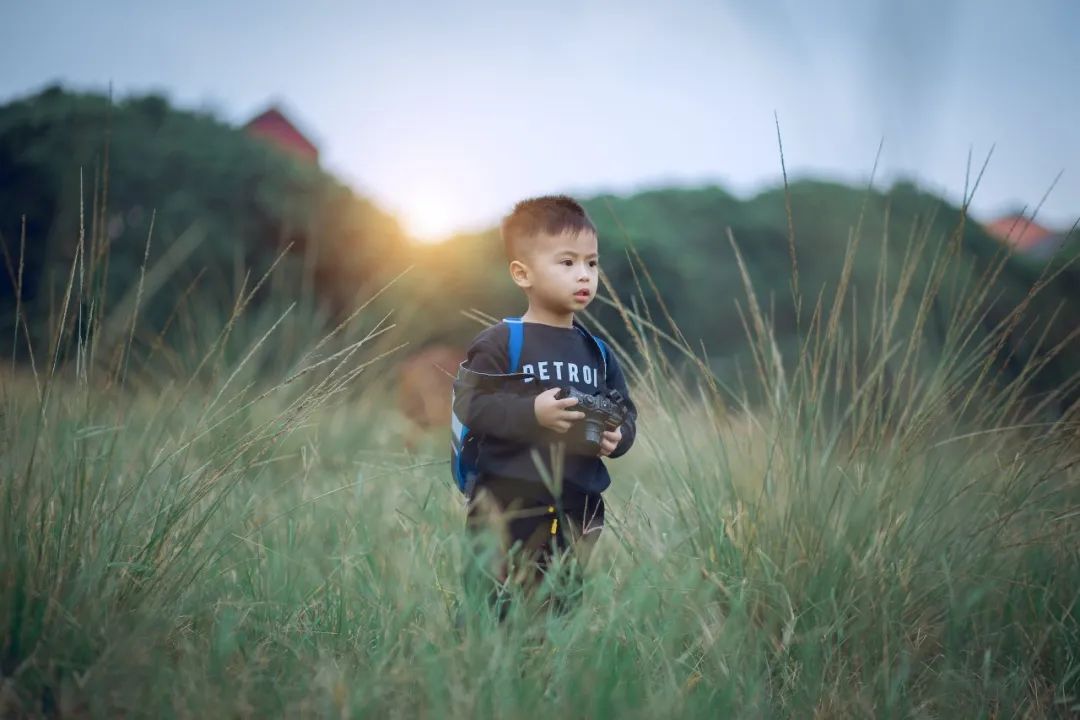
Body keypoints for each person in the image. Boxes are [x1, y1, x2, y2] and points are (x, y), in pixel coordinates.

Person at [452, 195, 637, 617]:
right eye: (567, 262)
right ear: (523, 273)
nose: (584, 275)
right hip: (505, 506)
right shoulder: (503, 341)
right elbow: (471, 405)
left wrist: (618, 436)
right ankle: (484, 676)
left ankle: (548, 677)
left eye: (591, 263)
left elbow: (625, 412)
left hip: (578, 508)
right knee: (492, 610)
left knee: (561, 611)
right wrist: (531, 414)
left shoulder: (598, 353)